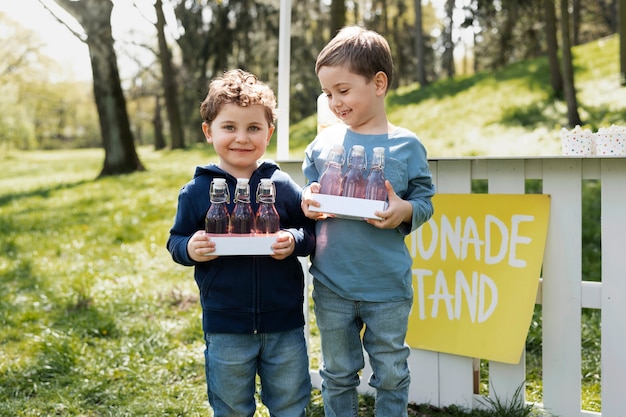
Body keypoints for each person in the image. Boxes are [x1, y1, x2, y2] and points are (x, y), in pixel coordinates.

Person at [301, 26, 435, 417]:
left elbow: (424, 199)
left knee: (392, 372)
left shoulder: (406, 145)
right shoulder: (321, 145)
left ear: (379, 83)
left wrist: (406, 211)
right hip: (332, 283)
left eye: (343, 91)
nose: (334, 102)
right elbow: (308, 195)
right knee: (338, 372)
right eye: (327, 94)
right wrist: (308, 202)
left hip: (387, 286)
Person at [167, 69, 315, 417]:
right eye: (229, 127)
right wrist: (190, 248)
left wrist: (292, 240)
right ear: (209, 131)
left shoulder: (282, 184)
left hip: (283, 321)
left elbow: (310, 232)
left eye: (253, 128)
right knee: (231, 405)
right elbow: (176, 239)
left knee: (291, 401)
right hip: (225, 323)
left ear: (269, 133)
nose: (242, 138)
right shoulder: (196, 191)